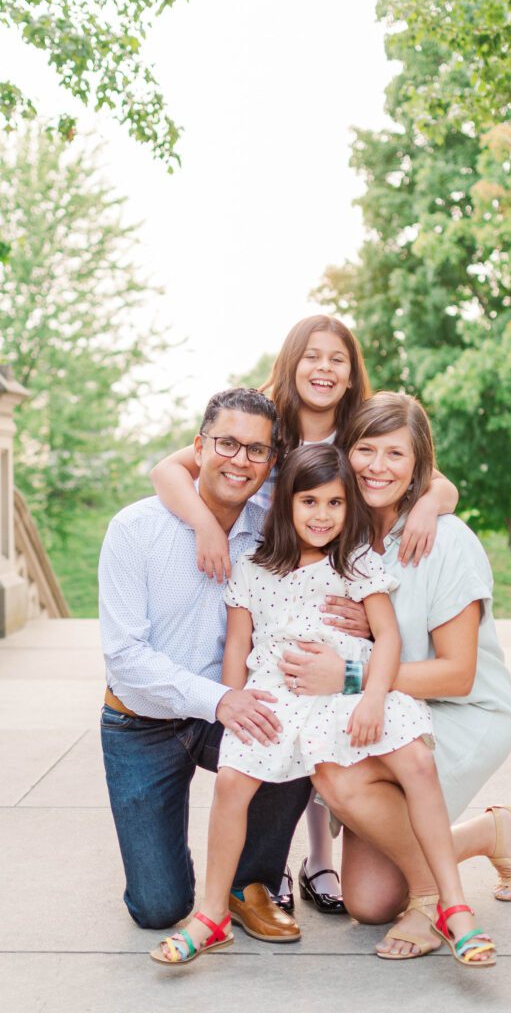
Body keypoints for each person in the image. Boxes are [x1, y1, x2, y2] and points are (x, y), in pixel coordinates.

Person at [150, 314, 460, 911]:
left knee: (325, 712)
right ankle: (284, 859)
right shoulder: (265, 419)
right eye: (311, 356)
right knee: (284, 704)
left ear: (352, 374)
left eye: (337, 359)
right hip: (267, 582)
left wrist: (428, 508)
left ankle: (321, 858)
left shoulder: (359, 425)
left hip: (335, 585)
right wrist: (203, 529)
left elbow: (432, 479)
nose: (323, 368)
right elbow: (168, 468)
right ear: (290, 363)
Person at [151, 445, 496, 968]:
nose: (322, 515)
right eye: (309, 501)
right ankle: (212, 915)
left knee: (417, 761)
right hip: (277, 694)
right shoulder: (252, 566)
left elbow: (387, 637)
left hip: (349, 691)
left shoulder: (354, 561)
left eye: (335, 504)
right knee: (230, 783)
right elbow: (237, 646)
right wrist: (232, 700)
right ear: (285, 503)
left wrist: (375, 696)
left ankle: (453, 905)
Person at [279, 393, 511, 960]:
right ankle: (493, 833)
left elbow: (457, 675)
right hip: (393, 708)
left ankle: (433, 898)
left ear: (419, 465)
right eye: (365, 449)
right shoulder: (339, 536)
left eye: (395, 454)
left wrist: (346, 672)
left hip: (461, 714)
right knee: (367, 902)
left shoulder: (447, 541)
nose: (376, 466)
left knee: (341, 778)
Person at [98, 387, 311, 941]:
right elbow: (124, 658)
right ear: (199, 446)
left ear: (271, 462)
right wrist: (218, 697)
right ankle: (176, 869)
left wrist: (360, 621)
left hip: (225, 714)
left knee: (291, 730)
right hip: (139, 723)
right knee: (159, 907)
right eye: (227, 443)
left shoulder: (275, 532)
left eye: (256, 451)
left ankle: (249, 882)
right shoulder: (134, 530)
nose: (240, 460)